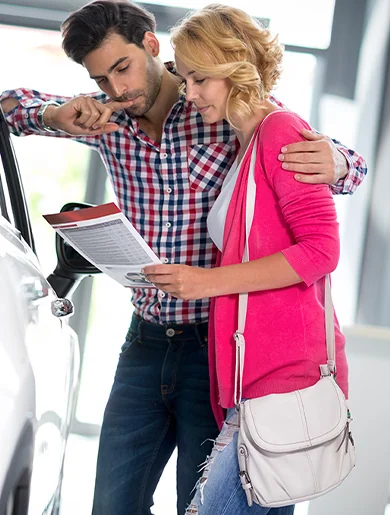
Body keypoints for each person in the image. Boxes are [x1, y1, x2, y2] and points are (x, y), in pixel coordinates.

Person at [0, 1, 366, 514]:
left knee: (194, 504)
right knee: (111, 504)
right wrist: (52, 114)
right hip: (144, 343)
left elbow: (336, 171)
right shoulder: (105, 120)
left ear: (152, 46)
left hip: (214, 346)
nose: (117, 90)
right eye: (101, 80)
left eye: (123, 69)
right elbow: (8, 107)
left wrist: (338, 160)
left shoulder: (221, 103)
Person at [142, 4, 353, 514]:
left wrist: (204, 282)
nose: (188, 94)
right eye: (184, 79)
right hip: (249, 378)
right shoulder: (246, 141)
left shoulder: (280, 130)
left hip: (280, 377)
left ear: (235, 65)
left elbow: (321, 250)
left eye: (199, 79)